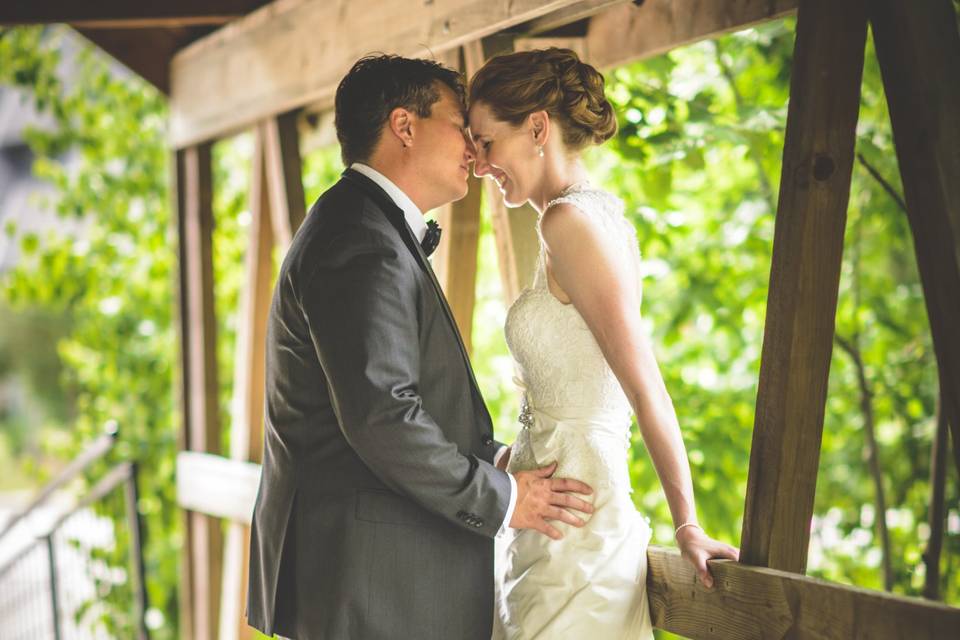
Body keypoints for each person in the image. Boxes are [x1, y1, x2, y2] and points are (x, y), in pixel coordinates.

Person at [246, 54, 595, 640]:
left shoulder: (361, 224)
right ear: (404, 126)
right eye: (462, 125)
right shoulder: (361, 239)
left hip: (373, 577)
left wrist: (488, 455)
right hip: (374, 586)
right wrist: (503, 498)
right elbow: (383, 414)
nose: (475, 149)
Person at [467, 47, 740, 639]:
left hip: (579, 542)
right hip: (548, 529)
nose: (479, 164)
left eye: (487, 143)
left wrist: (687, 524)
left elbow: (642, 385)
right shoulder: (583, 219)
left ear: (537, 127)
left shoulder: (568, 223)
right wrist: (518, 455)